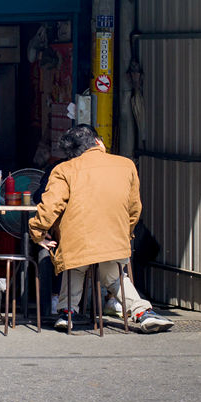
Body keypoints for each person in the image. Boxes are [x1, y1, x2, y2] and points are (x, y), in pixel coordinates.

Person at [28, 124, 173, 333]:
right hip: (114, 240)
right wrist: (125, 233)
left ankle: (67, 313)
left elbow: (50, 206)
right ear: (98, 142)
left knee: (74, 267)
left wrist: (38, 233)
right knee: (114, 276)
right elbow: (134, 208)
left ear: (72, 153)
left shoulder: (64, 169)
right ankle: (142, 312)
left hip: (76, 242)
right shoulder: (126, 165)